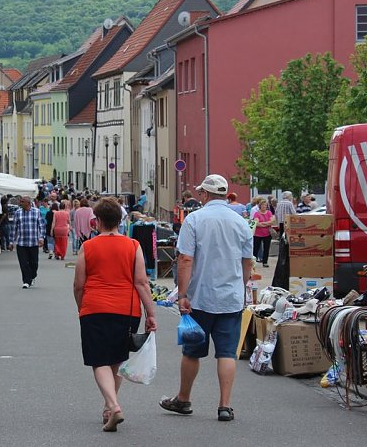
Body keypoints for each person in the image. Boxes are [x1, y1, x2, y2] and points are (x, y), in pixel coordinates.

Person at [160, 174, 253, 423]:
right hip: (231, 298)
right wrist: (241, 287)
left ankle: (183, 399)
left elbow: (185, 259)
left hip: (200, 297)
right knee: (227, 353)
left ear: (204, 195)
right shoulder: (242, 222)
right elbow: (247, 261)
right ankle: (225, 406)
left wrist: (182, 294)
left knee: (192, 352)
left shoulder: (195, 220)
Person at [73, 197, 157, 432]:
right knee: (117, 360)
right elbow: (141, 282)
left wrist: (82, 308)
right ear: (120, 221)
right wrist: (151, 314)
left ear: (97, 221)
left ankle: (113, 405)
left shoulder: (88, 247)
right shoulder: (133, 246)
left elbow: (79, 284)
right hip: (127, 310)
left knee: (99, 360)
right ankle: (109, 408)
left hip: (95, 308)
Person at [13, 197, 45, 288]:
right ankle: (26, 281)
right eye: (20, 201)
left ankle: (32, 275)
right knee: (23, 263)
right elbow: (14, 228)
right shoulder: (17, 213)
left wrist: (41, 238)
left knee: (34, 263)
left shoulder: (36, 212)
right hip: (21, 243)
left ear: (28, 203)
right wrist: (11, 242)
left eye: (22, 202)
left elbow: (41, 226)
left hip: (33, 242)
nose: (20, 203)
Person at [252, 199, 275, 266]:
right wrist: (267, 223)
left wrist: (263, 223)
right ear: (260, 206)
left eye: (265, 205)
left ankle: (265, 262)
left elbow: (272, 221)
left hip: (267, 234)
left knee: (266, 249)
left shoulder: (269, 213)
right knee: (255, 249)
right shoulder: (257, 213)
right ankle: (253, 262)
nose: (264, 206)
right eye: (263, 205)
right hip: (258, 234)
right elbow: (257, 223)